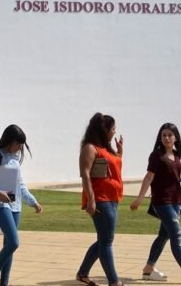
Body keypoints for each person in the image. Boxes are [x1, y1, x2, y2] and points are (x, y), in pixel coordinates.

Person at [130, 123, 181, 285]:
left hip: (176, 201)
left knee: (163, 236)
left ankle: (148, 269)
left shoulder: (176, 155)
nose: (166, 137)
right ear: (160, 137)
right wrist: (140, 198)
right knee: (176, 234)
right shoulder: (156, 155)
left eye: (170, 135)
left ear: (176, 138)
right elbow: (149, 177)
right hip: (162, 202)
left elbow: (170, 175)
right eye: (164, 135)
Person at [0, 124, 42, 286]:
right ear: (10, 141)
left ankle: (4, 283)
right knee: (14, 242)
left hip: (15, 205)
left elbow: (20, 185)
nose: (20, 148)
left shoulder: (14, 158)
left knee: (9, 246)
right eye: (18, 144)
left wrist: (33, 201)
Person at [76, 113, 125, 286]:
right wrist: (91, 199)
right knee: (106, 242)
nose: (114, 132)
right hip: (100, 199)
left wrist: (119, 152)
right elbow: (85, 175)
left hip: (112, 198)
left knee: (104, 240)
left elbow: (114, 168)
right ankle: (114, 281)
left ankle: (82, 274)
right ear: (103, 130)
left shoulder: (106, 148)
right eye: (112, 129)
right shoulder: (90, 148)